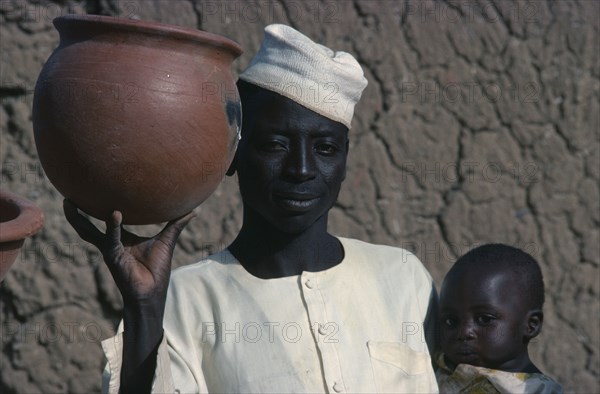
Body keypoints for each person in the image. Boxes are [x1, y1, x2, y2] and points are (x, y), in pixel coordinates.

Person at [65, 24, 439, 393]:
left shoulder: (404, 279)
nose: (302, 169)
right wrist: (145, 308)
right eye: (276, 144)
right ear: (233, 154)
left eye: (325, 148)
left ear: (344, 159)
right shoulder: (183, 300)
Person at [436, 243, 563, 393]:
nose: (464, 332)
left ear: (531, 325)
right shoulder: (435, 365)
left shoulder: (535, 390)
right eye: (451, 321)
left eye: (484, 319)